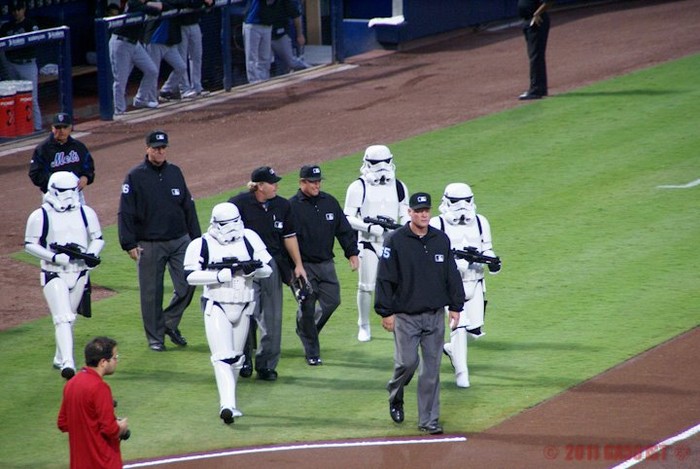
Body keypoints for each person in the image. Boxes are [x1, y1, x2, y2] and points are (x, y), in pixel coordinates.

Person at [375, 192, 465, 435]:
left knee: (431, 370)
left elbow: (451, 273)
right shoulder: (395, 240)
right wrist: (385, 312)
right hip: (405, 316)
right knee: (407, 363)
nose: (424, 214)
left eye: (426, 210)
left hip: (435, 316)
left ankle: (428, 420)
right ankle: (395, 393)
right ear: (410, 213)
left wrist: (456, 306)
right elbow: (384, 278)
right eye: (419, 211)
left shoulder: (440, 239)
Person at [184, 202, 273, 424]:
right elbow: (190, 276)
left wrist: (252, 269)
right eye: (226, 224)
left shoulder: (249, 238)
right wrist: (218, 276)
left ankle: (230, 403)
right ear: (216, 223)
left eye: (235, 222)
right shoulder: (202, 244)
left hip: (243, 304)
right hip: (217, 304)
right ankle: (227, 405)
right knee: (222, 356)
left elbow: (267, 269)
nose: (232, 228)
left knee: (236, 359)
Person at [118, 130, 201, 351]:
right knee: (151, 294)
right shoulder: (135, 176)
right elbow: (125, 211)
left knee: (189, 283)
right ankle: (156, 339)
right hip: (149, 243)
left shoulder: (175, 171)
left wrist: (197, 241)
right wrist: (128, 243)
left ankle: (167, 323)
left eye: (163, 147)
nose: (160, 151)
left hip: (180, 240)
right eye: (156, 148)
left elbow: (188, 206)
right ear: (147, 148)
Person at [24, 172, 105, 379]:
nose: (68, 195)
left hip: (79, 272)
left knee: (70, 317)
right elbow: (30, 244)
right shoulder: (40, 215)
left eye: (72, 190)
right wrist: (53, 256)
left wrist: (91, 254)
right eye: (63, 191)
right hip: (54, 272)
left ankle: (60, 356)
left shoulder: (86, 212)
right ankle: (68, 363)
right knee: (62, 317)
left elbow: (97, 238)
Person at [228, 166, 306, 380]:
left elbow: (289, 236)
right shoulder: (237, 204)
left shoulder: (282, 205)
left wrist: (298, 265)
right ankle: (243, 359)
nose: (276, 186)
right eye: (272, 183)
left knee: (272, 317)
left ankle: (266, 365)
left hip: (271, 266)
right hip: (244, 268)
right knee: (243, 314)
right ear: (260, 186)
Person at [430, 183, 501, 388]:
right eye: (456, 202)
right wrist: (453, 265)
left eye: (465, 201)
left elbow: (487, 248)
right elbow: (432, 255)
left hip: (475, 281)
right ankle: (462, 374)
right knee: (459, 326)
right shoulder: (437, 223)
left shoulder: (480, 222)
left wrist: (492, 262)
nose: (462, 207)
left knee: (474, 331)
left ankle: (452, 349)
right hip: (450, 285)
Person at [289, 164, 359, 365]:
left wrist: (352, 253)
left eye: (318, 181)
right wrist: (292, 266)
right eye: (312, 182)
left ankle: (305, 329)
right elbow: (285, 238)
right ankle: (312, 353)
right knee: (308, 306)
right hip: (303, 266)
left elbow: (343, 229)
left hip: (326, 264)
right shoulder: (291, 207)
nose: (317, 185)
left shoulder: (329, 202)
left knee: (332, 301)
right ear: (302, 182)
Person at [344, 145, 409, 342]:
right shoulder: (358, 187)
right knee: (366, 286)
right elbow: (347, 217)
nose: (381, 168)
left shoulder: (399, 186)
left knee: (399, 285)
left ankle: (399, 323)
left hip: (392, 243)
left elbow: (405, 213)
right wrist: (369, 227)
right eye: (376, 163)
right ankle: (363, 324)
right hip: (368, 242)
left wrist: (403, 230)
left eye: (385, 162)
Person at [57, 336, 129, 469]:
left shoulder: (71, 384)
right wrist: (121, 427)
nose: (116, 361)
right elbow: (110, 429)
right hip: (102, 463)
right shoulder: (99, 387)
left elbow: (63, 423)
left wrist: (88, 423)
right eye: (114, 358)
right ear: (103, 362)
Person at [29, 113, 95, 205]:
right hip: (52, 196)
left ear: (70, 128)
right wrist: (56, 184)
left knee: (80, 214)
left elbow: (89, 166)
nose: (61, 131)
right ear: (52, 128)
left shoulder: (78, 146)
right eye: (58, 127)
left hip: (75, 194)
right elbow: (35, 174)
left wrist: (86, 177)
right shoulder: (43, 149)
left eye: (65, 127)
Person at [109, 0, 162, 114]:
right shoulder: (132, 3)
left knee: (152, 70)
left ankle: (140, 99)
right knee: (121, 80)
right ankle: (119, 110)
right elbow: (153, 10)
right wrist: (151, 5)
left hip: (135, 44)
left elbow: (158, 11)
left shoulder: (142, 4)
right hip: (121, 43)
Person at [0, 0, 42, 131]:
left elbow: (35, 42)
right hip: (11, 65)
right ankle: (17, 128)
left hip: (27, 64)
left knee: (32, 98)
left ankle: (37, 127)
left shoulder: (30, 24)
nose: (16, 13)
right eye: (14, 10)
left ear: (24, 9)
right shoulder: (6, 27)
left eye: (19, 9)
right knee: (12, 98)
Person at [160, 0, 214, 99]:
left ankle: (197, 87)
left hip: (195, 23)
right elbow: (181, 3)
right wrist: (196, 3)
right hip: (180, 25)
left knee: (197, 56)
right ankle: (184, 89)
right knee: (182, 58)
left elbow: (208, 2)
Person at [517, 0, 553, 100]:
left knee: (535, 56)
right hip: (527, 21)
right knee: (535, 56)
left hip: (537, 21)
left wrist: (537, 13)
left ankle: (536, 90)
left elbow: (549, 2)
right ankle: (540, 89)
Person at [269, 0, 310, 76]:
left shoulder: (287, 2)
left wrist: (300, 35)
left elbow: (296, 16)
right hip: (264, 33)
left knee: (290, 62)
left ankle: (309, 69)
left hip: (280, 35)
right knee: (263, 63)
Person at [243, 0, 274, 84]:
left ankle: (265, 81)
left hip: (267, 23)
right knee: (252, 58)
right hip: (252, 23)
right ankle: (254, 82)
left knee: (265, 57)